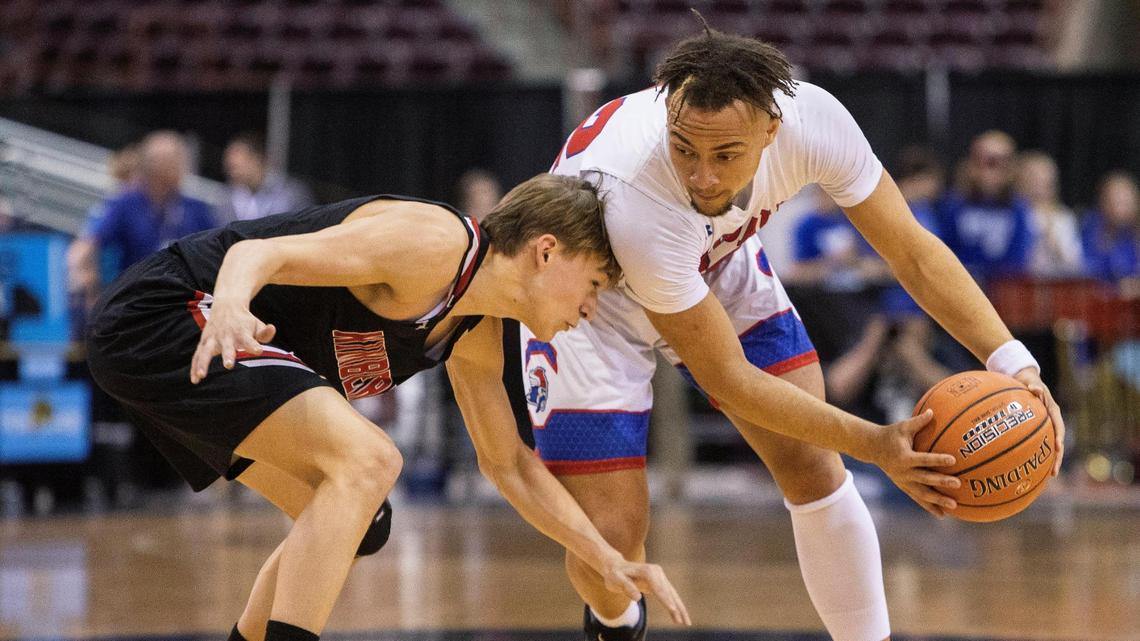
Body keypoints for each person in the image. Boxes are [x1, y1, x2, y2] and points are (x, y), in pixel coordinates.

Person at [525, 23, 1064, 641]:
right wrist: (878, 445)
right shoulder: (640, 197)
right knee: (612, 544)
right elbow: (728, 378)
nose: (702, 176)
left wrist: (1011, 359)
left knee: (812, 464)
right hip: (585, 302)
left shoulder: (815, 122)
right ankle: (615, 622)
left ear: (772, 130)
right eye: (685, 149)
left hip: (714, 260)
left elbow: (911, 252)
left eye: (725, 155)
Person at [84, 174, 690, 641]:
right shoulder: (432, 243)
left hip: (181, 346)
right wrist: (232, 308)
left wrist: (606, 560)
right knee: (369, 461)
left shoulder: (476, 326)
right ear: (547, 251)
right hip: (172, 314)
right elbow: (254, 256)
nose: (591, 308)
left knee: (362, 521)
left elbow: (508, 463)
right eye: (594, 285)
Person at [67, 131, 216, 305]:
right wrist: (86, 277)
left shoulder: (195, 208)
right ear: (154, 164)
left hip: (183, 300)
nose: (183, 166)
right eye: (175, 159)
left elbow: (214, 251)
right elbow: (86, 245)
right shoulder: (125, 203)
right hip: (135, 299)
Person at [936, 130, 1032, 282]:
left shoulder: (1019, 209)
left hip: (1003, 291)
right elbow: (941, 252)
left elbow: (1019, 259)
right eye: (986, 162)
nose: (992, 171)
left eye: (1001, 163)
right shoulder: (952, 206)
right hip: (960, 286)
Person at [218, 132, 315, 224]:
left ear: (257, 160)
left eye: (236, 167)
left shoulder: (293, 193)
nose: (232, 174)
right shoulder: (228, 197)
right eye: (229, 168)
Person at [1015, 151, 1084, 277]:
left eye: (1045, 181)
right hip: (1019, 281)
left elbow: (1075, 264)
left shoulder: (1063, 217)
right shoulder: (1015, 213)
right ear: (1022, 180)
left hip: (1055, 283)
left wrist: (1053, 239)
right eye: (1034, 179)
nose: (1040, 186)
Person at [1081, 171, 1140, 291]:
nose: (1118, 209)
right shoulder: (1091, 228)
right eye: (1114, 202)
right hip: (1101, 300)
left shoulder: (1134, 231)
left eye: (1125, 203)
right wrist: (1117, 288)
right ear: (1103, 202)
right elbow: (1085, 271)